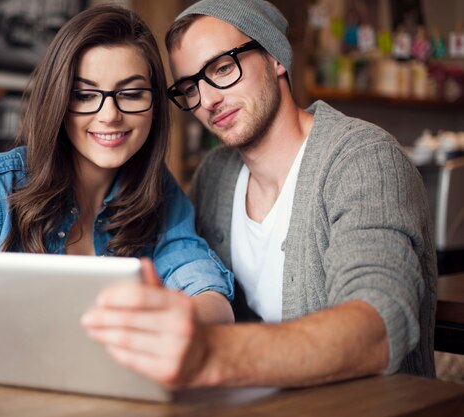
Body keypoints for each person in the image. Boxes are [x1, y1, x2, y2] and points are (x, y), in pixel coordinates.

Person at [81, 0, 437, 388]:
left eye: (222, 68)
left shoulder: (363, 159)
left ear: (274, 58)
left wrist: (213, 352)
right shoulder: (213, 177)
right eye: (190, 87)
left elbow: (379, 329)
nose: (208, 100)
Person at [0, 5, 235, 358]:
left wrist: (188, 315)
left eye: (130, 93)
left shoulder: (159, 191)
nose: (109, 115)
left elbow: (206, 290)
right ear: (58, 100)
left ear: (155, 104)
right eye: (84, 95)